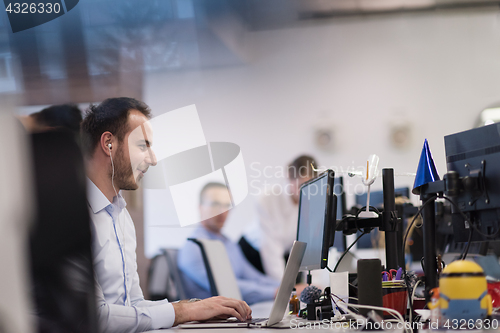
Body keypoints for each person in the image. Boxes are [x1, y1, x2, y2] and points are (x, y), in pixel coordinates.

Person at [81, 97, 251, 332]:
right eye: (143, 146)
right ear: (109, 143)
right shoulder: (74, 218)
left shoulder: (121, 217)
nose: (153, 159)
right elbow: (94, 318)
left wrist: (194, 308)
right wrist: (183, 312)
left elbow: (134, 305)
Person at [178, 182, 280, 305]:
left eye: (227, 205)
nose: (222, 211)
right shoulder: (194, 247)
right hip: (213, 320)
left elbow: (255, 278)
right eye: (215, 204)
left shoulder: (228, 243)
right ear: (200, 207)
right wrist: (275, 292)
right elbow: (227, 288)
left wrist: (288, 288)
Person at [241, 155, 318, 281]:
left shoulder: (313, 203)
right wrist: (284, 288)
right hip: (254, 254)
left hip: (285, 254)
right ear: (289, 177)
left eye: (310, 186)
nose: (306, 192)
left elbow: (311, 247)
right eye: (300, 186)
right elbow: (270, 246)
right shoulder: (268, 198)